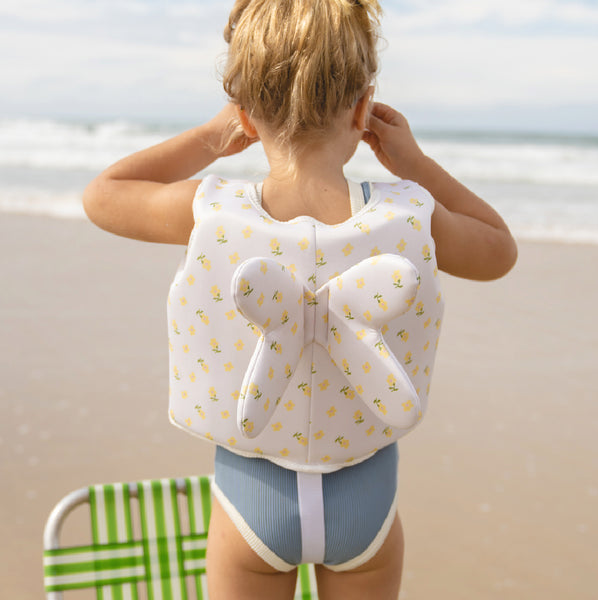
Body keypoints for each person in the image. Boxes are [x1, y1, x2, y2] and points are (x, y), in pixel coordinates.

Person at [83, 1, 517, 598]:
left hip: (251, 502)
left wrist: (211, 138)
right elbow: (499, 250)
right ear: (364, 109)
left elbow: (103, 195)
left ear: (245, 115)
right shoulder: (409, 213)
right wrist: (414, 166)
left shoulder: (211, 212)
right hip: (363, 502)